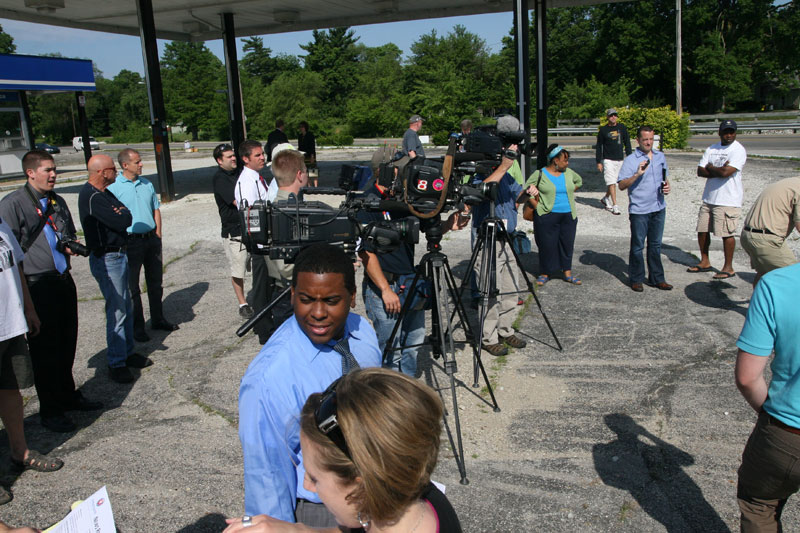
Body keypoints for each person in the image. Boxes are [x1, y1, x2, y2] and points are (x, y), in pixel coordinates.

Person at [237, 244, 381, 526]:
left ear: (352, 297)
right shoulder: (268, 380)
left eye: (331, 300)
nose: (317, 312)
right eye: (305, 299)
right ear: (292, 296)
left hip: (377, 492)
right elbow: (266, 475)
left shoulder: (363, 332)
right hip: (322, 512)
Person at [225, 368, 462, 533]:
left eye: (315, 478)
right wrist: (299, 530)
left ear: (362, 486)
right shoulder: (419, 493)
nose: (307, 486)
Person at [0, 150, 101, 433]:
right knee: (46, 351)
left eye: (54, 169)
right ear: (30, 172)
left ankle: (67, 395)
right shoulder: (13, 204)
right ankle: (51, 410)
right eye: (47, 170)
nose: (53, 174)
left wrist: (69, 246)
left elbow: (62, 235)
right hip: (36, 285)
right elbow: (10, 251)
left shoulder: (57, 201)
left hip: (61, 280)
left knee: (68, 341)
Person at [358, 169, 469, 377]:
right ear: (381, 173)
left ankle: (408, 386)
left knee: (414, 342)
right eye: (398, 175)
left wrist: (449, 224)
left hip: (410, 282)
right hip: (385, 286)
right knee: (391, 346)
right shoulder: (369, 202)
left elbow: (429, 227)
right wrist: (384, 290)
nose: (403, 180)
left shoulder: (406, 201)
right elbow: (365, 252)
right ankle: (391, 393)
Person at [0, 216, 63, 505]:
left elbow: (17, 267)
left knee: (11, 391)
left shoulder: (1, 224)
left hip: (9, 325)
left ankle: (19, 451)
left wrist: (28, 308)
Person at [735, 261, 800, 531]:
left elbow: (748, 377)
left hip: (788, 431)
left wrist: (771, 415)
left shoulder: (777, 283)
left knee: (758, 504)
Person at [79, 154, 153, 384]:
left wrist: (121, 214)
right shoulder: (91, 196)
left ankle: (127, 352)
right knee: (117, 309)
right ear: (102, 172)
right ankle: (116, 362)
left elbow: (126, 214)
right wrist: (120, 214)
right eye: (112, 169)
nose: (115, 173)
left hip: (119, 254)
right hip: (107, 257)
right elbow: (121, 220)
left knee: (126, 305)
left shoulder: (105, 192)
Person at [107, 149, 178, 342]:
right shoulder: (114, 188)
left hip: (151, 239)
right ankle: (137, 326)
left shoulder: (146, 184)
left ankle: (158, 318)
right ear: (125, 165)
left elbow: (155, 209)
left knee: (155, 282)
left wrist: (158, 234)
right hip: (130, 241)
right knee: (132, 288)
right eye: (137, 162)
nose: (141, 165)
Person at [470, 145, 527, 357]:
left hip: (507, 239)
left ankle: (505, 330)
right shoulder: (480, 177)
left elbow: (518, 197)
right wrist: (503, 167)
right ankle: (489, 338)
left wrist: (527, 193)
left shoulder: (507, 178)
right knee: (489, 291)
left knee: (510, 289)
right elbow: (477, 194)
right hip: (488, 241)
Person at [688, 119, 746, 280]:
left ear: (735, 133)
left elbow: (725, 173)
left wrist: (711, 167)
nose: (729, 135)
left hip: (728, 199)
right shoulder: (712, 148)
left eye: (732, 132)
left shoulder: (738, 150)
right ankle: (705, 261)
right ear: (719, 133)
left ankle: (728, 267)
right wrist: (717, 169)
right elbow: (700, 171)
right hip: (709, 197)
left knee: (726, 233)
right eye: (726, 132)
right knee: (702, 230)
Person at [617, 126, 672, 293]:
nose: (648, 142)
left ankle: (657, 278)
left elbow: (665, 177)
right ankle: (636, 279)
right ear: (638, 141)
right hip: (639, 210)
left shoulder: (660, 157)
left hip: (658, 207)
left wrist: (667, 186)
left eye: (651, 139)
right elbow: (621, 185)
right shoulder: (631, 160)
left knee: (655, 246)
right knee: (638, 246)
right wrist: (637, 174)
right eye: (645, 140)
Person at [234, 140, 274, 343]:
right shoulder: (246, 182)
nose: (262, 158)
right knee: (260, 288)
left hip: (268, 242)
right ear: (245, 159)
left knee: (270, 286)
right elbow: (250, 215)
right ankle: (263, 329)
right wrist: (260, 242)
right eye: (257, 155)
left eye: (262, 154)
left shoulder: (258, 177)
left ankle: (270, 323)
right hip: (260, 245)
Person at [525, 145, 583, 287]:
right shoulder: (540, 174)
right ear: (555, 160)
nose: (567, 163)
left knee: (567, 244)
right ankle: (545, 273)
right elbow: (527, 189)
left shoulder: (569, 173)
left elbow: (579, 182)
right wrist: (536, 206)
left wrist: (568, 192)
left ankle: (567, 273)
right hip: (547, 214)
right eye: (565, 160)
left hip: (568, 214)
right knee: (547, 244)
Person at [212, 143, 253, 319]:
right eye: (229, 157)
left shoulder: (242, 173)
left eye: (233, 155)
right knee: (239, 268)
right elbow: (239, 202)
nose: (234, 158)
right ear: (220, 161)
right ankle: (242, 303)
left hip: (250, 227)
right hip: (234, 231)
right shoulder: (220, 179)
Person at [739, 177, 800, 286]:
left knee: (764, 274)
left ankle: (757, 303)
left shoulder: (789, 183)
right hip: (766, 240)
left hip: (747, 235)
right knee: (794, 276)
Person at [595, 108, 631, 215]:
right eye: (611, 115)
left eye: (615, 115)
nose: (613, 117)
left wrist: (630, 158)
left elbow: (627, 143)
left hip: (619, 159)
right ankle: (615, 205)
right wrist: (598, 161)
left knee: (614, 182)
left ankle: (606, 198)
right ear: (607, 117)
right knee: (611, 182)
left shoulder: (622, 128)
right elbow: (599, 146)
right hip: (608, 159)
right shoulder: (603, 130)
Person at [297, 121, 318, 187]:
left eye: (302, 127)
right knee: (306, 171)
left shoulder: (310, 135)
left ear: (305, 127)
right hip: (303, 156)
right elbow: (300, 147)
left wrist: (312, 156)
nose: (301, 128)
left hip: (310, 155)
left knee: (313, 170)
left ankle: (316, 185)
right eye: (300, 127)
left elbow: (312, 146)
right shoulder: (300, 136)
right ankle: (309, 185)